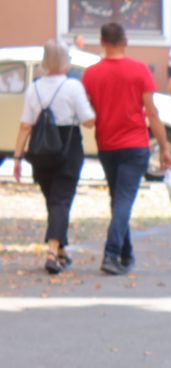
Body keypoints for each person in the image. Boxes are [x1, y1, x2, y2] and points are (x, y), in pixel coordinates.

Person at [80, 22, 171, 275]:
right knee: (122, 200)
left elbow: (86, 113)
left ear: (102, 42)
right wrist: (164, 147)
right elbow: (152, 113)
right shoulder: (139, 70)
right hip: (135, 144)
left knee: (119, 199)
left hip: (107, 145)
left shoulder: (91, 75)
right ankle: (111, 254)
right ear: (125, 42)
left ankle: (126, 254)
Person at [11, 39, 95, 274]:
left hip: (40, 150)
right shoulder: (73, 87)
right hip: (67, 148)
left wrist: (17, 157)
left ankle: (60, 251)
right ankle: (52, 252)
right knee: (61, 201)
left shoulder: (34, 88)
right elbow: (88, 121)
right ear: (65, 62)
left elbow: (25, 125)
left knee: (53, 200)